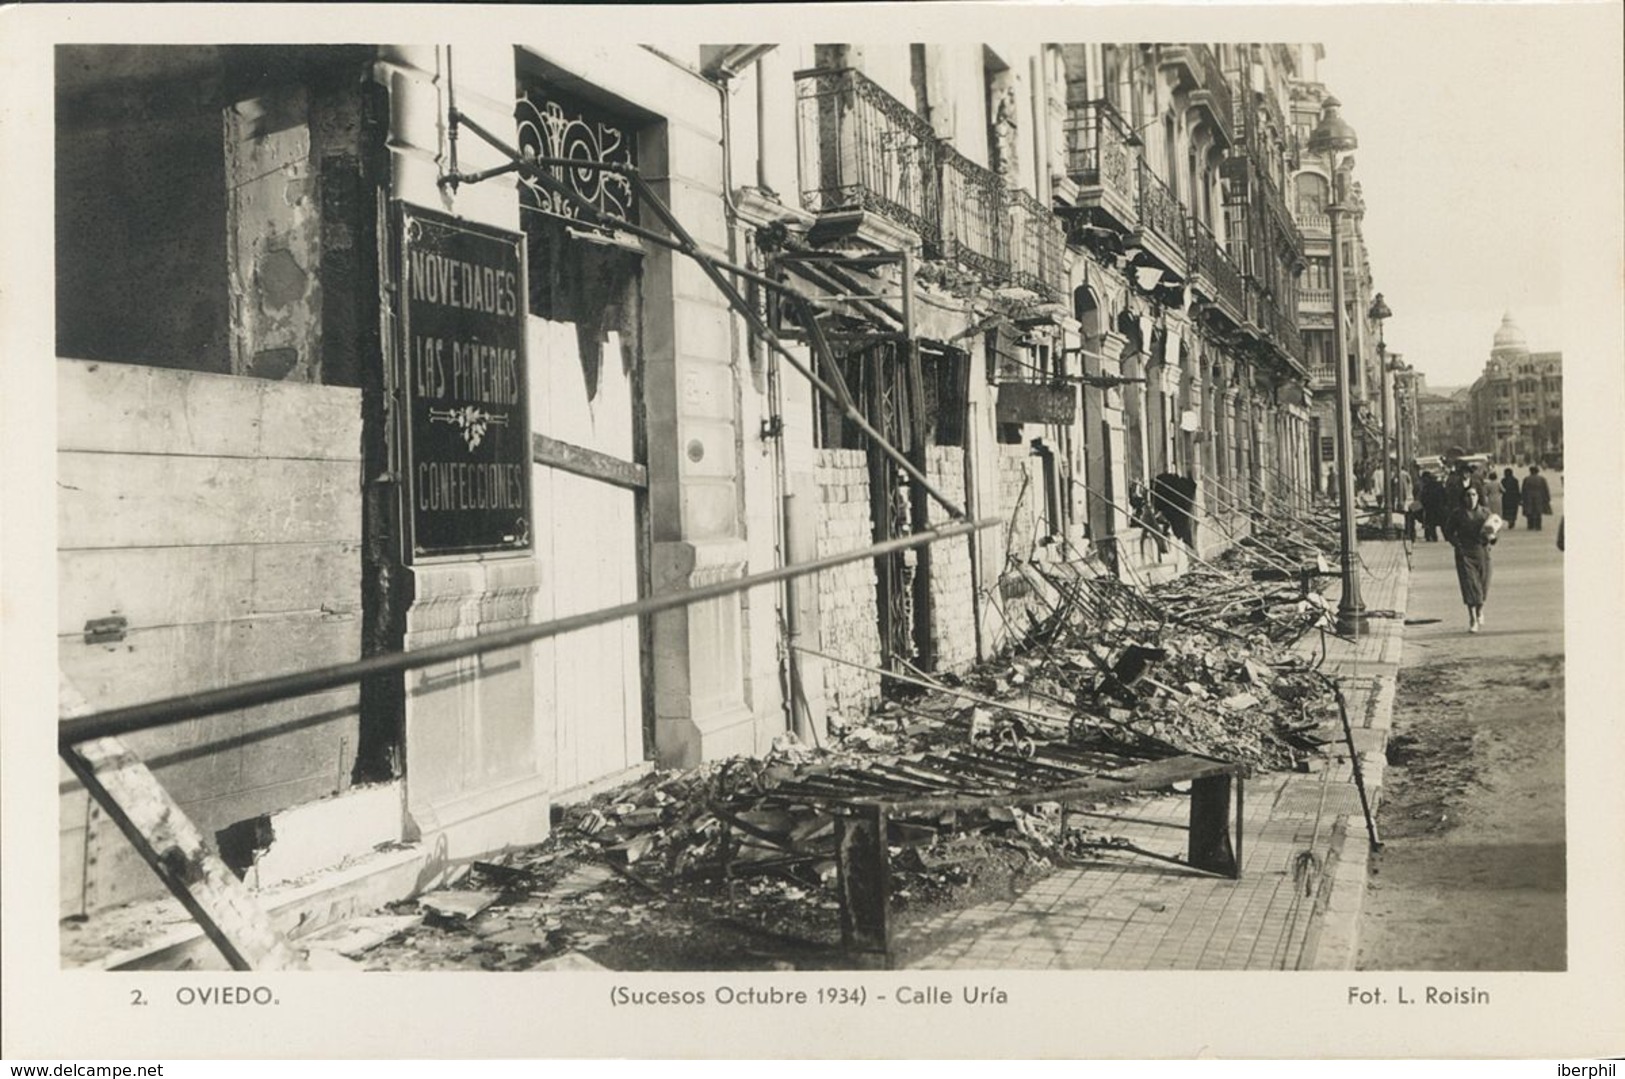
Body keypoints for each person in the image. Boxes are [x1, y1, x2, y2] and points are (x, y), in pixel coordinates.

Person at [1442, 485, 1497, 633]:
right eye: (1468, 495)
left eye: (1474, 495)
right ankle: (1472, 618)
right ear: (1463, 498)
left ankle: (1479, 610)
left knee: (1483, 586)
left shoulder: (1485, 513)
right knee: (1470, 586)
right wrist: (1457, 544)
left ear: (1478, 497)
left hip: (1483, 553)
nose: (1471, 498)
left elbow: (1494, 532)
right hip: (1465, 554)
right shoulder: (1457, 514)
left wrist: (1492, 537)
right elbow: (1448, 531)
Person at [1521, 465, 1552, 530]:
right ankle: (1538, 525)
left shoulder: (1526, 479)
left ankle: (1530, 525)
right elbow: (1545, 489)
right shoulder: (1542, 479)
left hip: (1529, 496)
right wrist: (1547, 498)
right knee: (1538, 512)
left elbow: (1523, 489)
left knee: (1530, 511)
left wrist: (1522, 498)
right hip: (1539, 496)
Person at [1419, 471, 1447, 542]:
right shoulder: (1439, 485)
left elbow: (1423, 498)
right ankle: (1447, 538)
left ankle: (1433, 538)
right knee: (1443, 525)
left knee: (1431, 525)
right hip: (1440, 508)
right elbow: (1445, 495)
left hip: (1430, 509)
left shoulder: (1426, 487)